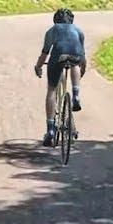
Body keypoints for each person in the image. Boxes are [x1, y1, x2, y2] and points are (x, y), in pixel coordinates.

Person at [34, 8, 85, 146]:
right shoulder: (78, 31)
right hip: (76, 56)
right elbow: (83, 58)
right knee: (75, 64)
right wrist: (83, 70)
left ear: (55, 20)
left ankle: (50, 129)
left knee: (51, 90)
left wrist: (38, 67)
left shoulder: (52, 30)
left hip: (58, 57)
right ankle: (76, 95)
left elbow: (45, 54)